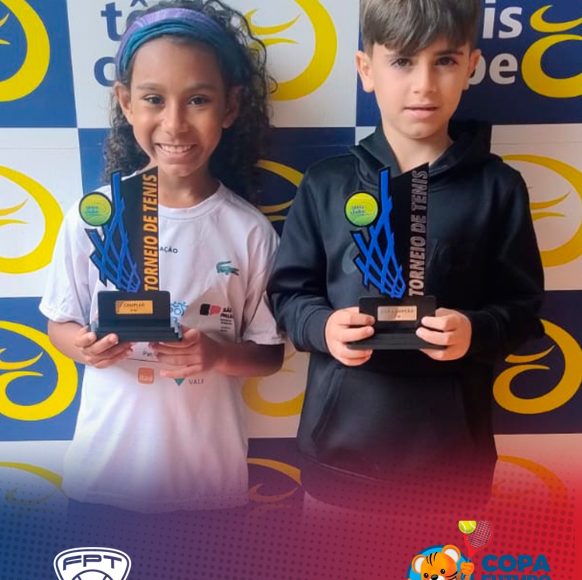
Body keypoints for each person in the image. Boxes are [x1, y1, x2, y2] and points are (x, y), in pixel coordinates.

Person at [267, 0, 544, 512]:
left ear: (471, 65)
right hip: (338, 466)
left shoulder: (499, 188)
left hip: (453, 473)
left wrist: (475, 330)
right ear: (366, 69)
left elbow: (523, 309)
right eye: (402, 61)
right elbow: (288, 293)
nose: (424, 84)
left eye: (444, 61)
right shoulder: (326, 183)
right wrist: (323, 327)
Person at [39, 0, 284, 513]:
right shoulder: (92, 217)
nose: (174, 124)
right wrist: (82, 348)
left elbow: (269, 355)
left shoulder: (250, 232)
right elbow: (59, 323)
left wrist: (216, 356)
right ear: (126, 102)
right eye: (154, 99)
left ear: (230, 106)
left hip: (207, 490)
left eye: (198, 100)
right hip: (102, 483)